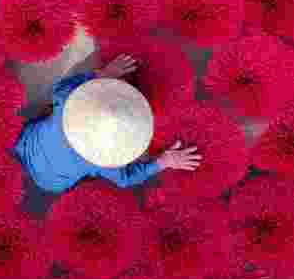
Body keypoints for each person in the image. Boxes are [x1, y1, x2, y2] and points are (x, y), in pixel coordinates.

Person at [13, 54, 202, 194]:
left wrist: (100, 75)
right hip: (49, 182)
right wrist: (163, 162)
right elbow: (126, 180)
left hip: (22, 144)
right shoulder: (104, 163)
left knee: (49, 112)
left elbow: (58, 88)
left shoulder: (66, 99)